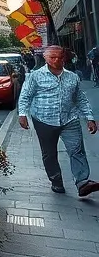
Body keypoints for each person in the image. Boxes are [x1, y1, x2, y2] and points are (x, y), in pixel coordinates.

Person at [17, 45, 99, 197]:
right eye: (52, 57)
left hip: (70, 119)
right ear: (45, 58)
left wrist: (89, 118)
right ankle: (56, 181)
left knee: (77, 150)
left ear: (64, 58)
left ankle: (82, 182)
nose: (56, 60)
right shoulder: (35, 76)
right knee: (49, 153)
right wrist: (22, 114)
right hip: (43, 120)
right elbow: (25, 95)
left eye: (60, 57)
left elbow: (80, 98)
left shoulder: (72, 77)